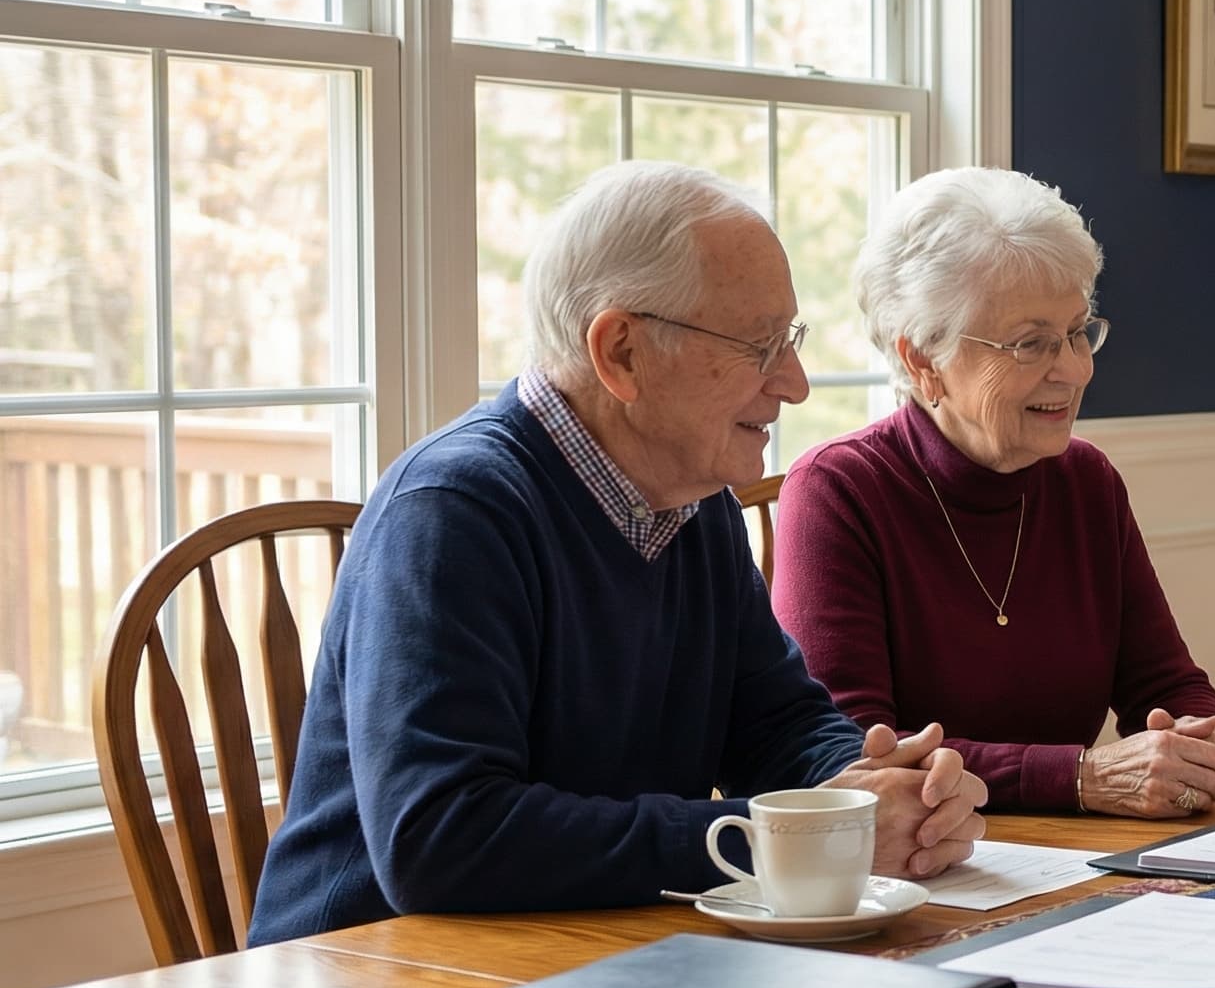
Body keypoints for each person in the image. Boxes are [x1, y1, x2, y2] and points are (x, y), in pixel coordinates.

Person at [250, 163, 987, 944]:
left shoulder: (691, 500)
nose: (795, 384)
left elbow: (777, 725)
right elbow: (441, 839)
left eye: (791, 341)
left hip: (576, 953)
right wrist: (773, 837)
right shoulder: (453, 512)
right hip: (365, 982)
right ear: (622, 352)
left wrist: (872, 790)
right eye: (760, 346)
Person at [773, 167, 1215, 819]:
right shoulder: (838, 491)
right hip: (918, 870)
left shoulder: (1087, 482)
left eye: (1078, 331)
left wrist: (1194, 740)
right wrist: (1078, 777)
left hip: (1074, 862)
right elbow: (856, 752)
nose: (1075, 369)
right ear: (921, 361)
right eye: (1031, 343)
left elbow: (1168, 682)